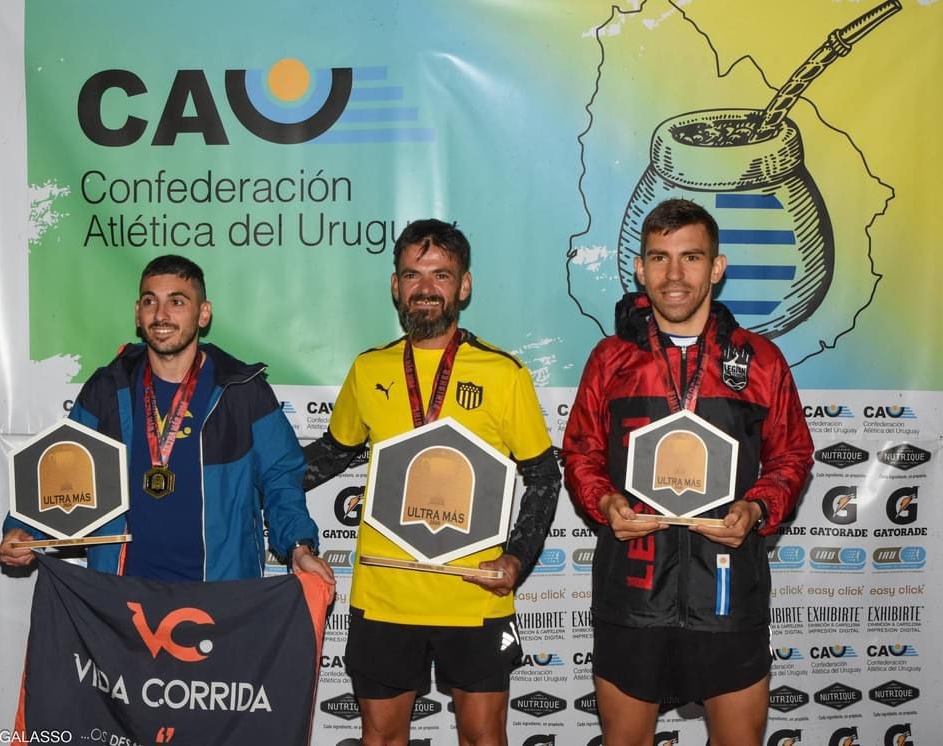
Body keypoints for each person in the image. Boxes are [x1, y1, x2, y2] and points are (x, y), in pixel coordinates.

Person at [562, 199, 812, 746]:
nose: (674, 275)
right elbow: (580, 451)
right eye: (660, 258)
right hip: (633, 592)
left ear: (716, 268)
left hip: (727, 592)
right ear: (640, 268)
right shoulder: (610, 359)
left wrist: (757, 507)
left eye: (691, 257)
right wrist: (603, 503)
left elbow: (792, 454)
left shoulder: (761, 360)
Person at [304, 219, 561, 746]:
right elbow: (331, 454)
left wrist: (516, 560)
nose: (425, 288)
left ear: (464, 286)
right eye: (412, 275)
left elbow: (543, 475)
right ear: (395, 286)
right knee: (380, 737)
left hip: (474, 594)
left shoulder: (503, 372)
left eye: (441, 275)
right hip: (385, 594)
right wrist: (247, 475)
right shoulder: (368, 368)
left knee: (483, 738)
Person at [0, 254, 333, 584]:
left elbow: (280, 478)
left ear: (203, 314)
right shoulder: (107, 388)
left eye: (177, 302)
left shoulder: (242, 390)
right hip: (121, 593)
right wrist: (23, 529)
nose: (161, 314)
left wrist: (299, 547)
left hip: (219, 594)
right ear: (137, 313)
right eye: (150, 301)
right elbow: (65, 467)